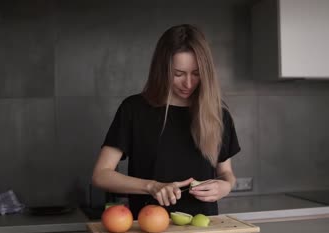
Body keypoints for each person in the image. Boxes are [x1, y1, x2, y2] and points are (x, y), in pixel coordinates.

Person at [92, 24, 241, 218]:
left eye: (196, 74)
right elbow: (101, 175)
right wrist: (151, 186)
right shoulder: (134, 109)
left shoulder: (218, 113)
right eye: (178, 74)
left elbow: (226, 173)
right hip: (147, 229)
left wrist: (226, 186)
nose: (188, 83)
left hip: (203, 230)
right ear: (162, 69)